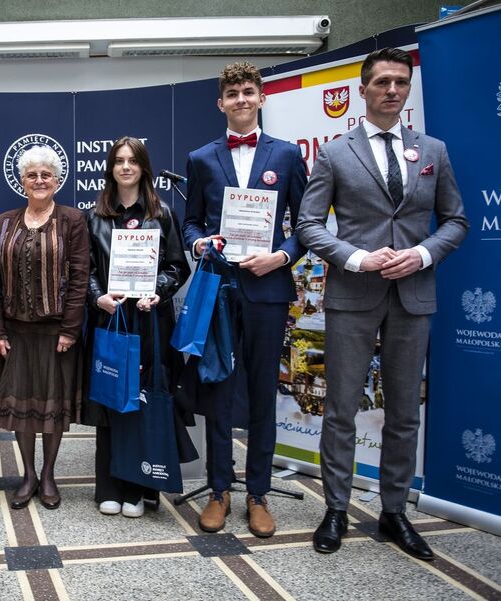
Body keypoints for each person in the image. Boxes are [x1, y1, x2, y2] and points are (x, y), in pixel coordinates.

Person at [296, 48, 468, 559]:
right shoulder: (335, 154)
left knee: (404, 411)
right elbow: (308, 224)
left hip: (413, 295)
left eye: (400, 82)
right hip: (353, 295)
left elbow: (456, 221)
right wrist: (356, 258)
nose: (392, 90)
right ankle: (336, 509)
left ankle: (395, 511)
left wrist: (421, 254)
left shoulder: (433, 150)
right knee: (341, 409)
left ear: (408, 89)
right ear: (363, 90)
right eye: (382, 82)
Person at [182, 61, 308, 538]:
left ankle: (258, 492)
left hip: (267, 288)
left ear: (261, 98)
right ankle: (220, 488)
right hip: (218, 287)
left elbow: (306, 225)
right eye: (232, 93)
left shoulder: (287, 155)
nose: (240, 99)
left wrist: (281, 256)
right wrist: (199, 244)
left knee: (260, 389)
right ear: (221, 103)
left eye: (248, 92)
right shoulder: (200, 158)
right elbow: (191, 222)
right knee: (218, 387)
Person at [84, 137, 190, 517]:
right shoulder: (94, 216)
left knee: (146, 401)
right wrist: (97, 297)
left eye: (132, 160)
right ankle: (109, 485)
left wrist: (157, 291)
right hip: (111, 319)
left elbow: (177, 267)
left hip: (150, 321)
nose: (126, 167)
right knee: (111, 399)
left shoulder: (162, 214)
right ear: (110, 168)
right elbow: (86, 270)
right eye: (119, 161)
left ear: (144, 167)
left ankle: (142, 486)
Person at [0, 144, 89, 510]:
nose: (39, 180)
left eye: (46, 174)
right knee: (21, 409)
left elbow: (80, 279)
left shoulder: (73, 220)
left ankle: (48, 475)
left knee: (52, 408)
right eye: (32, 175)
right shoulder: (4, 222)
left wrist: (70, 329)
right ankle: (28, 474)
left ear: (57, 181)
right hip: (14, 332)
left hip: (55, 332)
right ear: (22, 181)